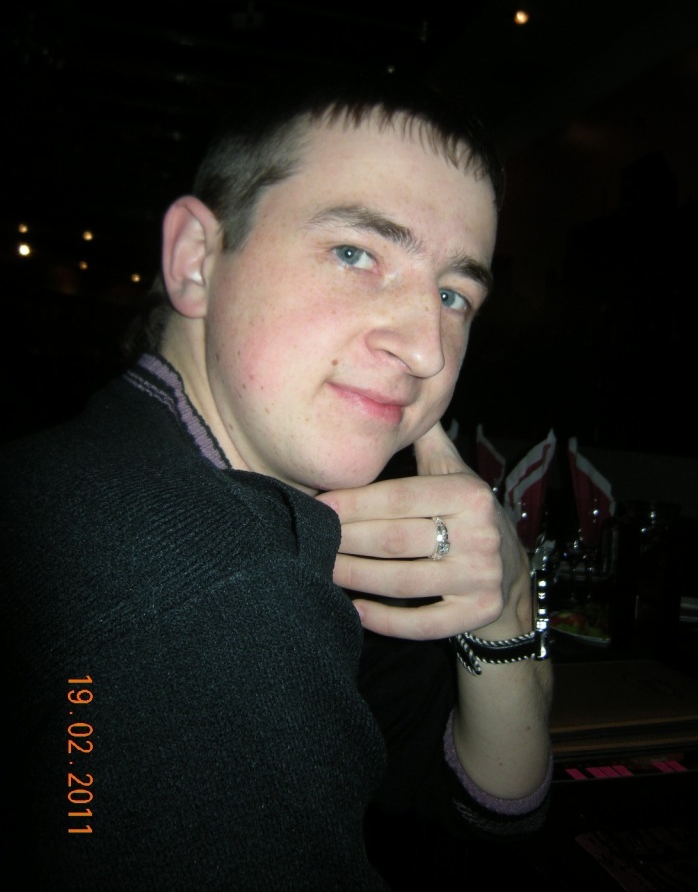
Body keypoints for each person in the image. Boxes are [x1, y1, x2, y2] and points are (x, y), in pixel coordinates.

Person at [1, 72, 552, 890]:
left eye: (452, 293)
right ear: (196, 260)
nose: (427, 350)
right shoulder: (223, 592)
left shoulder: (255, 505)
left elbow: (493, 803)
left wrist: (503, 596)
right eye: (356, 254)